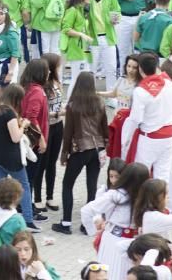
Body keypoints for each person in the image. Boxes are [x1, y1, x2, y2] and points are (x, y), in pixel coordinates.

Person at [121, 54, 172, 210]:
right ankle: (161, 207)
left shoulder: (141, 91)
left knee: (141, 174)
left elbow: (136, 119)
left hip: (149, 138)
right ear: (156, 67)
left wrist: (125, 141)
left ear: (141, 70)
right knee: (163, 175)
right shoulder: (171, 85)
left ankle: (137, 208)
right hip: (169, 136)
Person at [53, 72, 108, 235]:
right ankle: (87, 224)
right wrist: (106, 146)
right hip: (97, 148)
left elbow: (68, 132)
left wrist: (64, 154)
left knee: (67, 184)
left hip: (80, 149)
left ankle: (66, 222)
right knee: (92, 185)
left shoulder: (73, 105)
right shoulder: (99, 102)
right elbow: (105, 126)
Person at [81, 162, 151, 280]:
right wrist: (94, 231)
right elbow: (86, 211)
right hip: (113, 242)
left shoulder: (146, 196)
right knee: (111, 274)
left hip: (135, 244)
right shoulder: (115, 195)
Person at [0, 83, 38, 230]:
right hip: (10, 158)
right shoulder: (9, 113)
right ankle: (28, 220)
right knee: (24, 187)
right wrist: (23, 125)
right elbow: (15, 137)